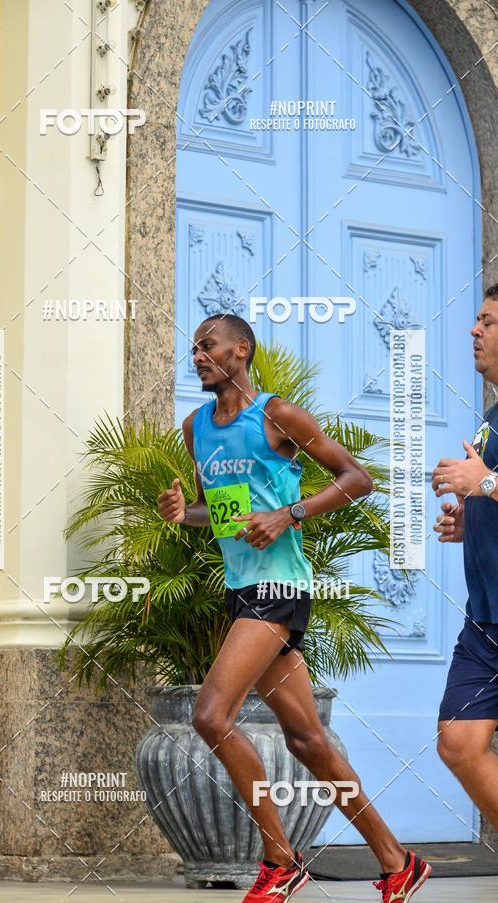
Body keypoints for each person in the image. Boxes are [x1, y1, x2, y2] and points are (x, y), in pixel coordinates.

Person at [158, 314, 430, 902]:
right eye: (194, 348)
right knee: (307, 740)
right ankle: (396, 860)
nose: (198, 355)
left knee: (210, 715)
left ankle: (280, 859)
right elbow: (223, 514)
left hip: (280, 588)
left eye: (208, 346)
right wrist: (186, 515)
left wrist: (290, 513)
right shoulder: (195, 427)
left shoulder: (278, 415)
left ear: (241, 350)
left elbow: (357, 478)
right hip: (241, 590)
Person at [432, 283, 498, 830]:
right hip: (486, 620)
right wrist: (469, 517)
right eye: (476, 319)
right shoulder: (493, 415)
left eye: (488, 321)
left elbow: (490, 482)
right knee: (457, 742)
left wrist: (487, 482)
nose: (473, 331)